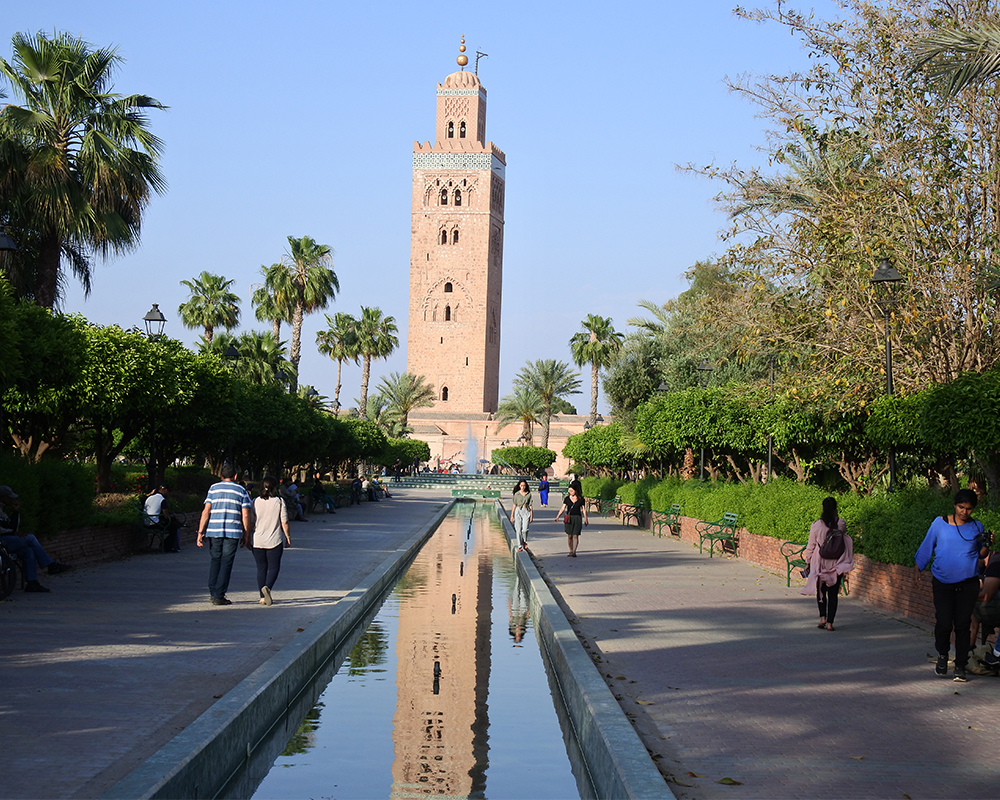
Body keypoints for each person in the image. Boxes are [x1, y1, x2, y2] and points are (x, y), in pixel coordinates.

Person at [915, 488, 988, 682]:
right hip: (942, 582)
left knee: (963, 625)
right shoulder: (939, 523)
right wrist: (918, 568)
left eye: (969, 509)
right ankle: (942, 655)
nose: (964, 512)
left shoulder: (977, 527)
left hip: (968, 583)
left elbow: (981, 554)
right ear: (954, 505)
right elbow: (927, 546)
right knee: (944, 623)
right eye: (961, 507)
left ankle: (960, 666)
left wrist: (987, 544)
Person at [196, 465, 252, 606]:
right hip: (233, 531)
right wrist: (247, 534)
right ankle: (219, 594)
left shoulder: (213, 488)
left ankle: (213, 591)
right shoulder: (241, 490)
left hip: (214, 530)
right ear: (235, 477)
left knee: (215, 560)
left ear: (221, 476)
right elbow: (245, 514)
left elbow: (206, 511)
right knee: (226, 562)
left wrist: (200, 532)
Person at [0, 485, 71, 593]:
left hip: (7, 539)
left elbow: (13, 527)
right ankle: (50, 565)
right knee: (30, 538)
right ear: (2, 497)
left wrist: (15, 512)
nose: (11, 499)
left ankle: (32, 583)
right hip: (2, 540)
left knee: (28, 551)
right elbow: (5, 530)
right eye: (8, 497)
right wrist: (12, 532)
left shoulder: (3, 510)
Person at [799, 497, 854, 632]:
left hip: (820, 560)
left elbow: (811, 545)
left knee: (821, 591)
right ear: (836, 508)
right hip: (837, 561)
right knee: (833, 593)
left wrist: (807, 562)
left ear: (823, 508)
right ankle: (830, 623)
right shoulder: (840, 523)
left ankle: (822, 618)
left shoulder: (816, 525)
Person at [250, 476, 291, 606]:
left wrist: (247, 536)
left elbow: (250, 521)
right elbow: (284, 521)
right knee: (274, 567)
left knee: (261, 568)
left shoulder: (255, 501)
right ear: (275, 487)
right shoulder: (279, 501)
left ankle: (262, 597)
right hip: (274, 540)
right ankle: (267, 587)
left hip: (258, 540)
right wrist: (288, 537)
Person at [144, 485, 182, 552]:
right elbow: (166, 516)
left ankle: (166, 545)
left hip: (146, 521)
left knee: (173, 523)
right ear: (165, 490)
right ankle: (166, 546)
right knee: (174, 528)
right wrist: (173, 515)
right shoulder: (162, 500)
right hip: (155, 523)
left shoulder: (150, 497)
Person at [554, 483, 588, 557]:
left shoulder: (581, 499)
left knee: (575, 535)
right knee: (569, 536)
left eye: (572, 491)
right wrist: (557, 516)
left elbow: (584, 510)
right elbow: (563, 508)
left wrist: (586, 519)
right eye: (569, 491)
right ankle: (571, 550)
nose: (570, 492)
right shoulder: (567, 499)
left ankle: (574, 552)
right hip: (569, 518)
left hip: (577, 518)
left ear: (576, 491)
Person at [510, 479, 533, 552]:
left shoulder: (528, 494)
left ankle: (525, 541)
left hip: (526, 511)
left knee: (525, 529)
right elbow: (514, 505)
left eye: (524, 486)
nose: (523, 487)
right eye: (521, 486)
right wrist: (512, 515)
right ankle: (520, 545)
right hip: (518, 511)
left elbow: (530, 505)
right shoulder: (516, 494)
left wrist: (531, 515)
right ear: (519, 486)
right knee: (518, 530)